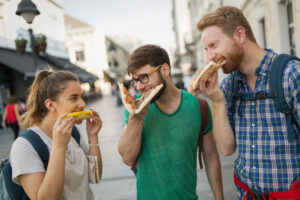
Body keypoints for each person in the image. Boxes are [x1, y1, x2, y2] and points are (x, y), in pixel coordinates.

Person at [189, 6, 300, 199]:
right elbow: (226, 148)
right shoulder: (229, 86)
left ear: (240, 34)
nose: (209, 57)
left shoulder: (291, 74)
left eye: (214, 45)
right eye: (206, 49)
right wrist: (216, 100)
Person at [118, 44, 224, 200]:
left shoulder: (198, 106)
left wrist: (219, 197)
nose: (139, 87)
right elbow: (127, 158)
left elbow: (211, 155)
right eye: (135, 81)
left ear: (165, 70)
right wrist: (137, 119)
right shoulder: (135, 110)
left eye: (144, 77)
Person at [9, 70, 103, 200]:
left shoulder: (73, 132)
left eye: (82, 97)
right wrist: (59, 146)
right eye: (74, 98)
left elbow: (95, 177)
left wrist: (93, 136)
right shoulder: (24, 146)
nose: (82, 104)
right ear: (51, 105)